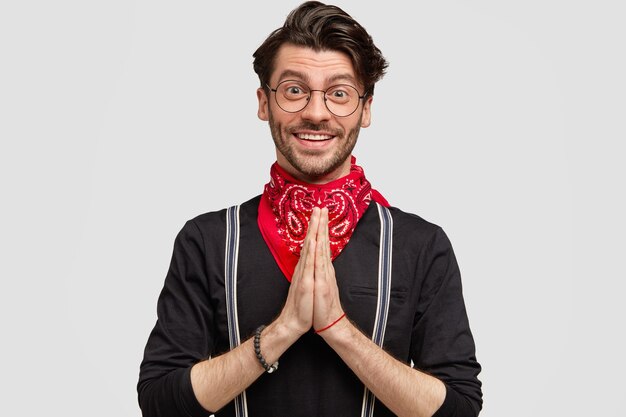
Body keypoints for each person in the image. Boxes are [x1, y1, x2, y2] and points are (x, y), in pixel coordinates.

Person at [137, 2, 482, 416]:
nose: (316, 113)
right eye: (294, 90)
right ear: (264, 102)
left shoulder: (420, 245)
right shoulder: (208, 240)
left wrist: (339, 331)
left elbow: (459, 408)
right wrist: (284, 330)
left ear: (366, 109)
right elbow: (159, 402)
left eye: (339, 93)